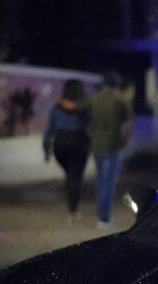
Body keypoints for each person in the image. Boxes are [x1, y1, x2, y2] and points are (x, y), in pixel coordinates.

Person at [87, 71, 133, 230]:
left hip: (97, 144)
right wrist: (125, 140)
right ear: (117, 84)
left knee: (101, 180)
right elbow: (128, 124)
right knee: (109, 182)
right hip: (113, 145)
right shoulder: (121, 100)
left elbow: (85, 116)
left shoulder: (94, 99)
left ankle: (101, 215)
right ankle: (104, 218)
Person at [43, 79, 90, 223]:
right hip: (79, 141)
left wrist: (46, 149)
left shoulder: (56, 108)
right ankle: (73, 210)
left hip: (61, 142)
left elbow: (49, 130)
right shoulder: (84, 107)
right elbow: (91, 124)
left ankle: (72, 208)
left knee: (70, 175)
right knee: (75, 176)